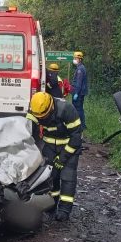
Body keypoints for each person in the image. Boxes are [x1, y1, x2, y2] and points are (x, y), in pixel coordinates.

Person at [26, 91, 83, 221]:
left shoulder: (66, 109)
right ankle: (51, 206)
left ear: (50, 107)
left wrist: (63, 158)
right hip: (50, 146)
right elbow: (29, 126)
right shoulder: (35, 108)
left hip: (69, 145)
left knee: (68, 177)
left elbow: (76, 137)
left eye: (44, 117)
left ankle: (64, 210)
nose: (42, 119)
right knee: (50, 177)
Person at [71, 51, 88, 131]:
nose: (74, 59)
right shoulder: (80, 68)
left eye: (76, 58)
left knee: (78, 109)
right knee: (80, 108)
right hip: (80, 92)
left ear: (80, 59)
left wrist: (76, 93)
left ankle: (80, 126)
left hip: (78, 92)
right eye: (74, 58)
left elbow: (79, 83)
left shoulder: (80, 69)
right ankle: (82, 125)